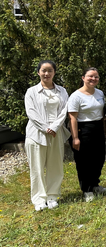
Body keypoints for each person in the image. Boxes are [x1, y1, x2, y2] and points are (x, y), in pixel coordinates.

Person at [24, 60, 70, 211]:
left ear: (54, 72)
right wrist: (45, 128)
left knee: (55, 165)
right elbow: (31, 112)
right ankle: (39, 199)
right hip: (36, 133)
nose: (46, 73)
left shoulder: (62, 91)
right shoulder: (31, 92)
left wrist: (55, 127)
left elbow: (65, 110)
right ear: (38, 72)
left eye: (50, 70)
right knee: (36, 167)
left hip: (56, 133)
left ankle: (52, 196)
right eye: (43, 70)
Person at [68, 67, 106, 203]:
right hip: (83, 129)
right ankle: (87, 189)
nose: (93, 79)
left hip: (98, 128)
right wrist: (75, 138)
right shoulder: (76, 96)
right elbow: (72, 117)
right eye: (90, 76)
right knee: (84, 161)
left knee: (99, 157)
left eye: (96, 77)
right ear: (83, 78)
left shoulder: (100, 93)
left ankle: (95, 184)